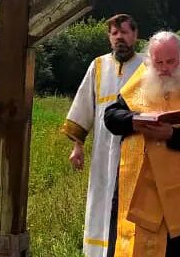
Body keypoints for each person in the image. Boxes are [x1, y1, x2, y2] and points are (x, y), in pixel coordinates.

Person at [103, 31, 180, 257]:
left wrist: (172, 134)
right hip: (136, 187)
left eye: (171, 61)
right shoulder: (138, 85)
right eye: (159, 62)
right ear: (150, 61)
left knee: (177, 249)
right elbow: (111, 116)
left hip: (179, 190)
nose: (164, 68)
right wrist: (134, 121)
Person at [62, 13, 144, 256]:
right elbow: (85, 107)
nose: (120, 37)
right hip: (102, 151)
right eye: (115, 33)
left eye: (125, 32)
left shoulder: (147, 65)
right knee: (101, 200)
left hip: (137, 148)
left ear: (135, 36)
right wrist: (77, 147)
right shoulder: (98, 66)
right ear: (109, 38)